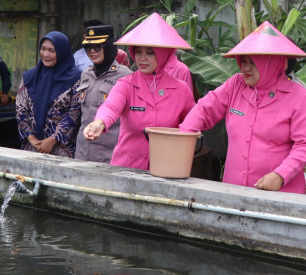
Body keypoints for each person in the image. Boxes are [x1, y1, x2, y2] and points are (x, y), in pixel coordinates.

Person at [179, 21, 306, 192]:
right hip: (234, 191)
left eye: (253, 62)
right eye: (243, 61)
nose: (246, 68)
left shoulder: (299, 96)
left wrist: (281, 175)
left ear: (273, 62)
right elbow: (204, 109)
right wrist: (183, 136)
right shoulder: (235, 85)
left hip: (281, 193)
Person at [83, 13, 194, 170]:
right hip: (127, 169)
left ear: (163, 53)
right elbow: (111, 106)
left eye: (150, 52)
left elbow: (193, 122)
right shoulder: (126, 84)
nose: (142, 58)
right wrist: (99, 122)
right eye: (138, 52)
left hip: (166, 169)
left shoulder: (181, 89)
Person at [16, 31, 81, 157]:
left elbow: (75, 113)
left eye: (52, 51)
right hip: (33, 147)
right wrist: (31, 138)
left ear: (62, 52)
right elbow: (21, 109)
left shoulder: (77, 78)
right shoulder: (30, 77)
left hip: (62, 148)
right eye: (43, 49)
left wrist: (53, 140)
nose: (46, 54)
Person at [74, 24, 132, 163]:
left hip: (109, 155)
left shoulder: (125, 77)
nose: (92, 51)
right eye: (88, 47)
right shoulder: (86, 74)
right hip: (82, 153)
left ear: (109, 47)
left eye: (97, 47)